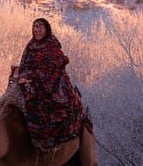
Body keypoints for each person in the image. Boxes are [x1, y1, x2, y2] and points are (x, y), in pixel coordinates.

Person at [11, 17, 87, 150]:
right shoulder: (31, 45)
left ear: (47, 29)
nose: (37, 30)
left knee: (43, 101)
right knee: (13, 91)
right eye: (35, 27)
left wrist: (32, 76)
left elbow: (53, 67)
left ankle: (46, 139)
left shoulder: (52, 45)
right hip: (32, 77)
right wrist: (21, 73)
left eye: (40, 27)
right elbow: (25, 63)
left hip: (52, 79)